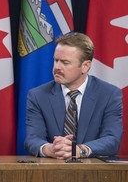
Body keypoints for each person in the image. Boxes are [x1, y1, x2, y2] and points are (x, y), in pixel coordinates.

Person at [24, 32, 123, 160]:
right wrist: (50, 149)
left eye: (65, 62)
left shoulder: (109, 94)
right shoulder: (38, 95)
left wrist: (80, 150)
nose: (57, 67)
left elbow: (112, 140)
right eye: (56, 60)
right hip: (51, 172)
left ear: (85, 66)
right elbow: (32, 139)